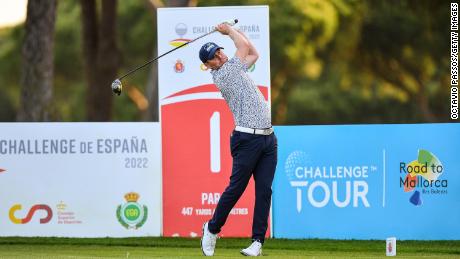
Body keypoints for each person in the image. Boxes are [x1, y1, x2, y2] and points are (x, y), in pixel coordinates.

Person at [198, 22, 277, 257]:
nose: (220, 56)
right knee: (236, 189)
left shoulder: (235, 68)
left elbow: (254, 53)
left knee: (264, 191)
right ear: (208, 65)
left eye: (219, 51)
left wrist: (229, 33)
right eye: (214, 56)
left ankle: (257, 243)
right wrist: (230, 31)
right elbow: (243, 46)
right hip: (247, 139)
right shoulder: (224, 74)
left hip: (268, 139)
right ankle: (212, 229)